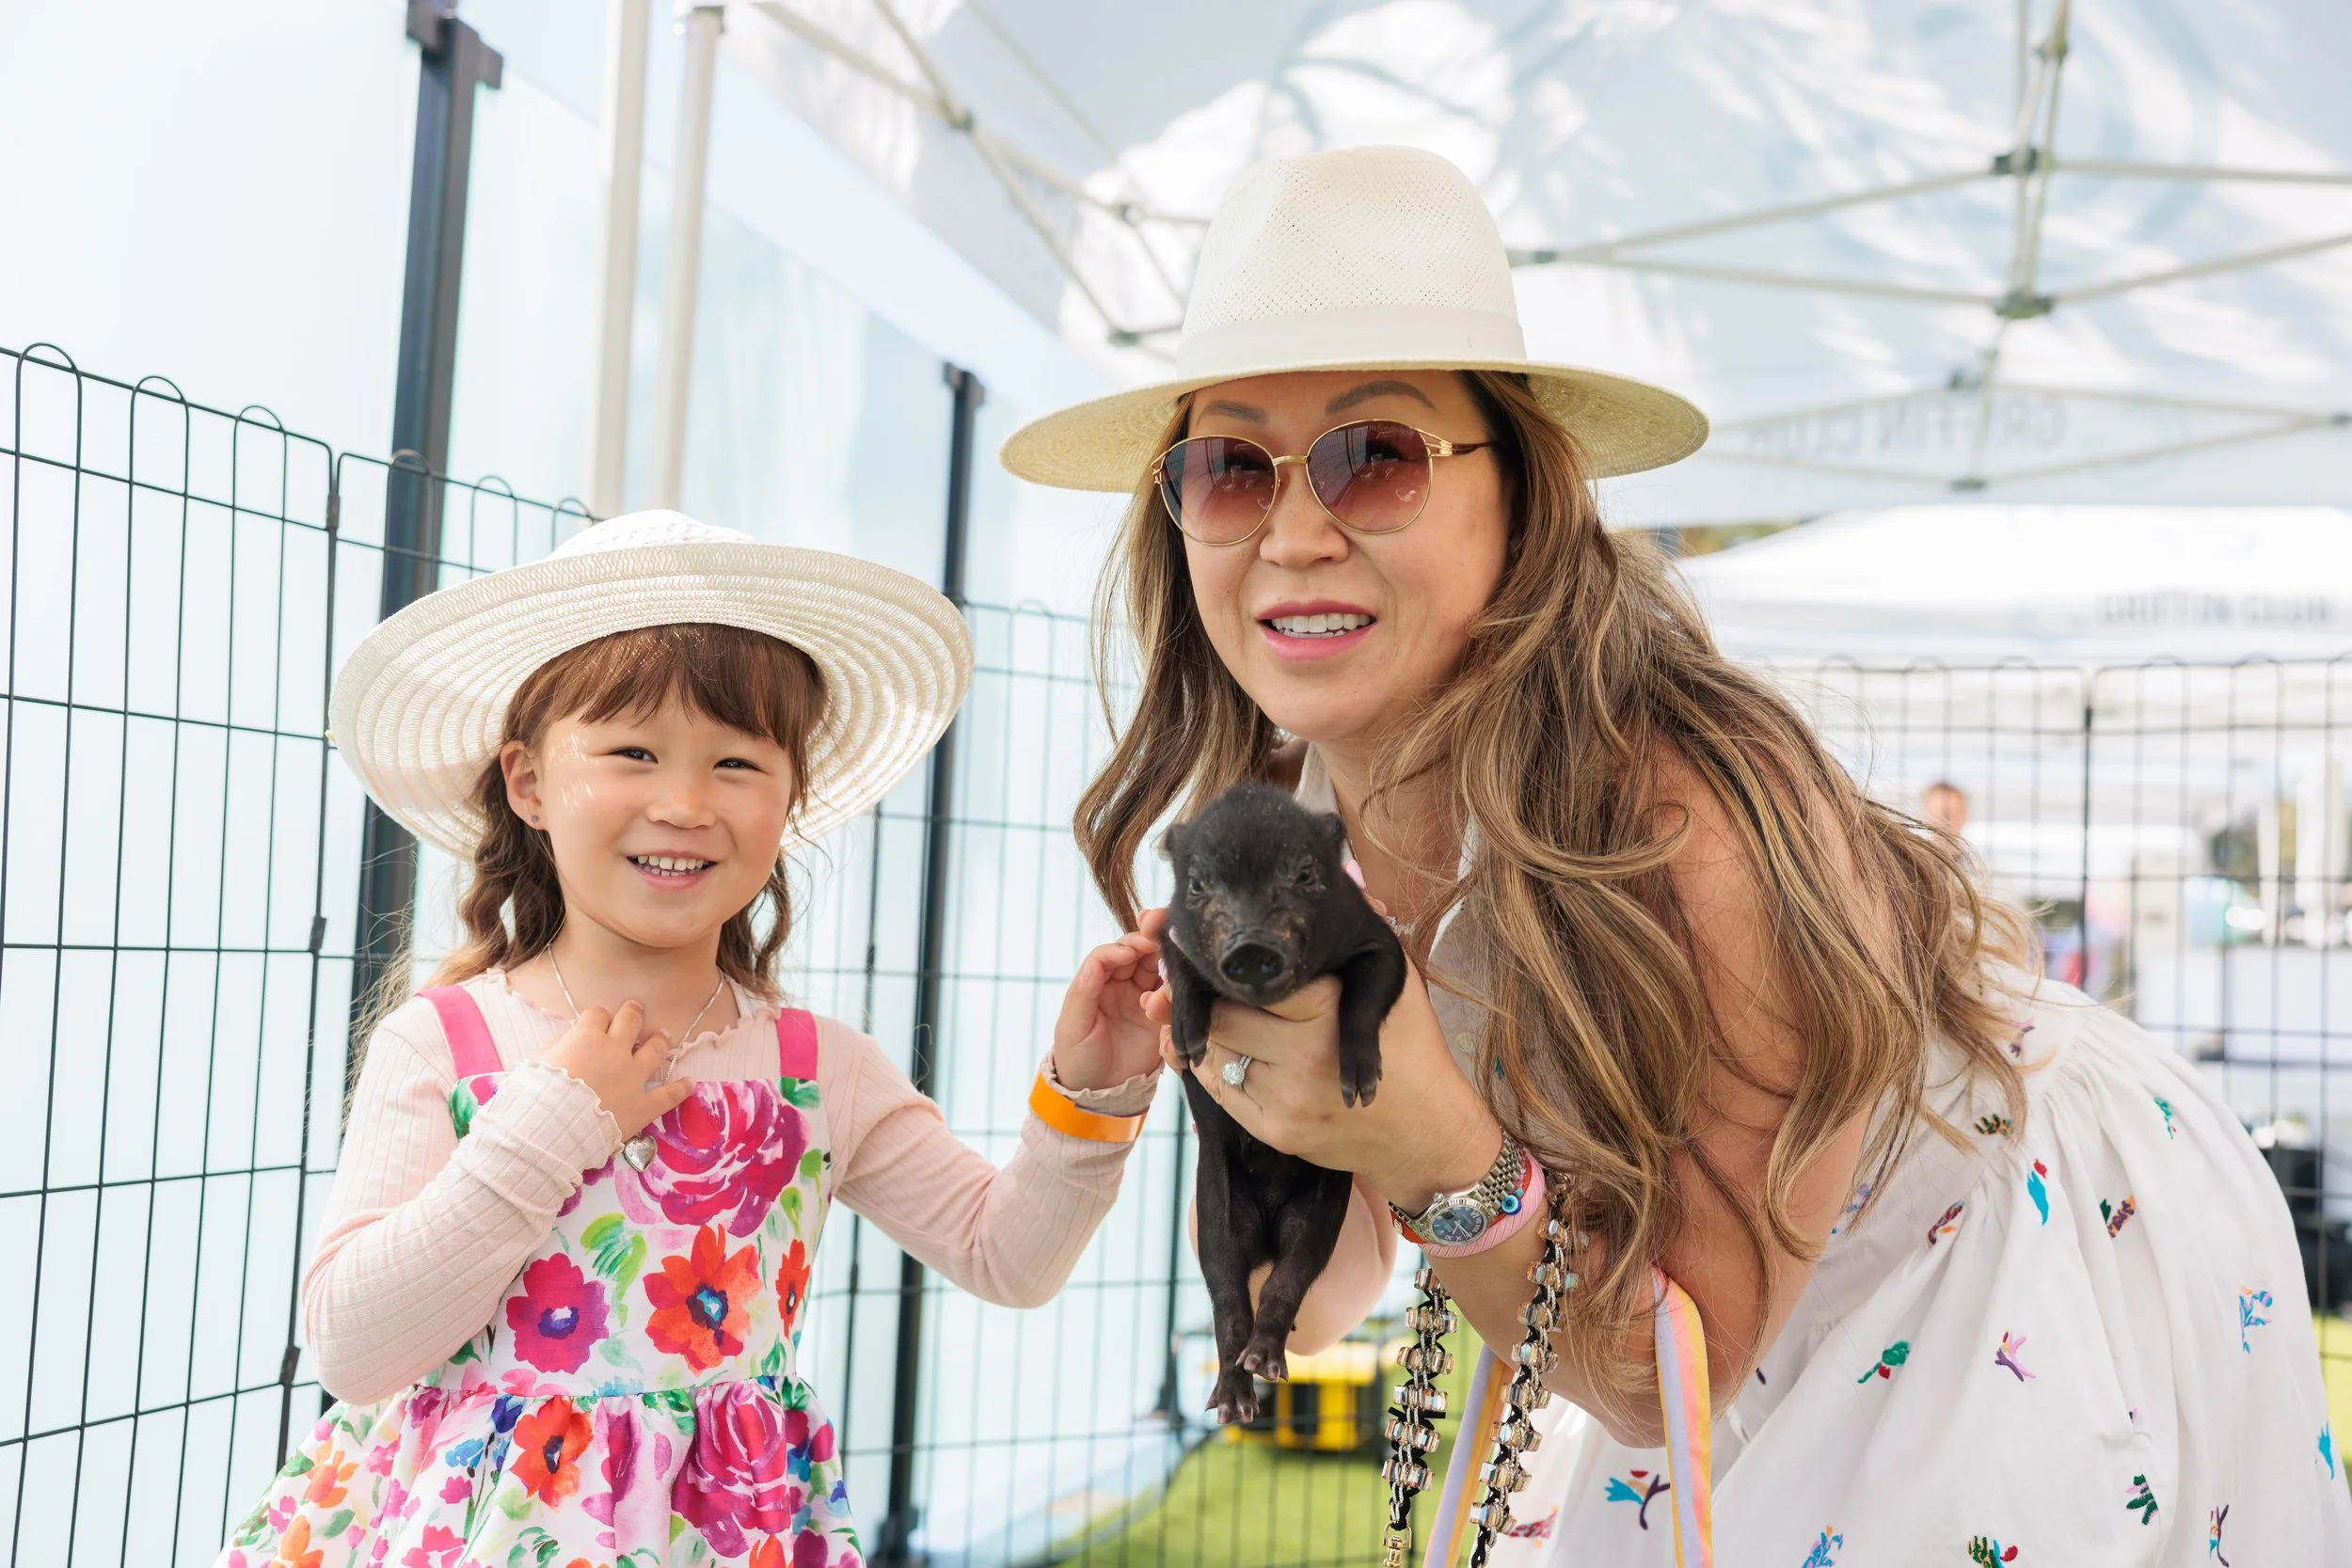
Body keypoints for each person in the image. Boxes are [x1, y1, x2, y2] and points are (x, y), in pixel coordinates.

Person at [1002, 146, 2352, 1565]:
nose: (1290, 528)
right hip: (1630, 1323)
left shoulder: (1688, 811)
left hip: (1981, 1273)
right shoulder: (1294, 830)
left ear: (1517, 493)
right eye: (1225, 467)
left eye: (1374, 452)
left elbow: (1668, 1371)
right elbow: (1338, 1290)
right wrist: (1234, 1103)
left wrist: (1420, 1131)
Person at [217, 512, 1166, 1568]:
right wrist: (551, 1120)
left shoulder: (817, 1069)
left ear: (789, 797)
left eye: (735, 762)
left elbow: (1009, 1255)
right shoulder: (446, 1041)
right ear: (527, 782)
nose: (684, 802)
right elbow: (353, 1346)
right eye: (632, 752)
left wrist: (1093, 1089)